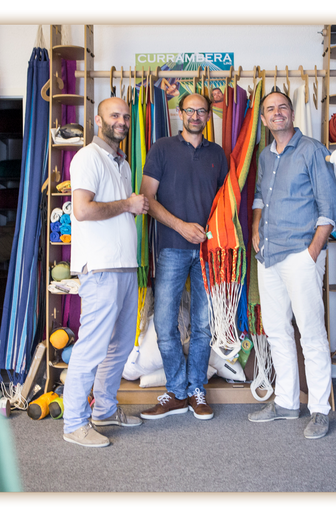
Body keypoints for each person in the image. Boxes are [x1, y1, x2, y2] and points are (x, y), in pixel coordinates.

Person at [248, 91, 336, 439]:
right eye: (270, 109)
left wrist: (313, 251)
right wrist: (256, 227)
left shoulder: (312, 150)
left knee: (311, 333)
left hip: (301, 255)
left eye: (282, 107)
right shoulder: (264, 155)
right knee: (276, 332)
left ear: (291, 113)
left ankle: (319, 409)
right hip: (268, 255)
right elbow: (260, 196)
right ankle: (286, 402)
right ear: (264, 119)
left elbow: (330, 206)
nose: (277, 113)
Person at [62, 97, 149, 447]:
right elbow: (82, 210)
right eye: (114, 115)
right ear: (98, 120)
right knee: (91, 348)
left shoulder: (121, 162)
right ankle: (74, 424)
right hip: (99, 268)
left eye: (125, 116)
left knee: (121, 346)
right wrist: (128, 204)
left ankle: (105, 409)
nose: (122, 121)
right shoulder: (88, 157)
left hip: (124, 266)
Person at [139, 93, 228, 420]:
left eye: (201, 111)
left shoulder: (217, 154)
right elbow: (147, 198)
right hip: (171, 248)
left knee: (203, 326)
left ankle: (195, 391)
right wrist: (181, 227)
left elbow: (226, 204)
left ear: (208, 115)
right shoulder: (162, 148)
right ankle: (176, 392)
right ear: (179, 113)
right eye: (189, 110)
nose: (195, 115)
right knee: (165, 324)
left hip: (208, 252)